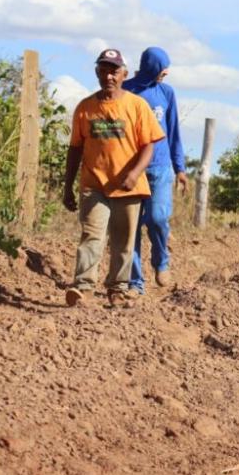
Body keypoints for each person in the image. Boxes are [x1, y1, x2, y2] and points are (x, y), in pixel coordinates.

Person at [63, 49, 165, 307]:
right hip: (94, 185)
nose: (109, 76)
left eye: (114, 71)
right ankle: (83, 288)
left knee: (123, 241)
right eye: (104, 70)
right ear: (97, 72)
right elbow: (75, 148)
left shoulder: (136, 106)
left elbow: (149, 145)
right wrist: (67, 187)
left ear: (124, 74)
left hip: (128, 187)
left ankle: (117, 289)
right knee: (92, 235)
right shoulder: (85, 108)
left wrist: (134, 173)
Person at [123, 47, 188, 293]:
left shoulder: (166, 93)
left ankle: (161, 261)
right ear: (152, 67)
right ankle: (135, 282)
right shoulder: (126, 91)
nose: (166, 72)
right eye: (163, 68)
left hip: (160, 168)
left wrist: (180, 168)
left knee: (158, 219)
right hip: (130, 171)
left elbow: (173, 132)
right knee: (132, 227)